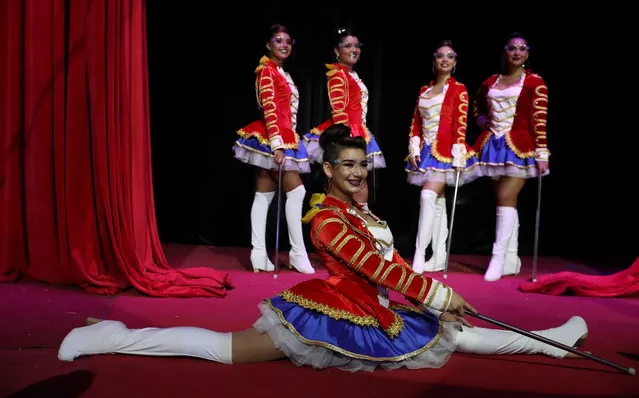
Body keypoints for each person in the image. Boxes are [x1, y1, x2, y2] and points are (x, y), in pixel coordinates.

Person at [58, 124, 588, 371]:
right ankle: (118, 337)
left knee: (459, 337)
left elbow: (394, 263)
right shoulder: (325, 218)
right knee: (228, 351)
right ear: (329, 169)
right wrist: (437, 295)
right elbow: (373, 265)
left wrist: (434, 297)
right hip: (331, 311)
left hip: (376, 309)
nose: (359, 173)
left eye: (363, 165)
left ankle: (551, 341)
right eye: (348, 166)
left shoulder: (361, 210)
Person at [232, 24, 314, 274]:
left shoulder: (280, 72)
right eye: (278, 40)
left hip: (283, 134)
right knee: (297, 192)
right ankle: (298, 253)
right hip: (274, 136)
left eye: (288, 41)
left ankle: (258, 253)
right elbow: (269, 107)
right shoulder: (267, 70)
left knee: (263, 194)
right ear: (269, 45)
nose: (284, 44)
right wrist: (278, 145)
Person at [472, 32, 549, 282]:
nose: (517, 53)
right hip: (493, 146)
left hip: (520, 146)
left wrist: (542, 151)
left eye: (522, 49)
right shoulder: (491, 81)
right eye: (512, 48)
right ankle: (511, 258)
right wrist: (481, 119)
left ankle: (497, 257)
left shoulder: (534, 83)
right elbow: (479, 106)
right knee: (504, 200)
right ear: (505, 51)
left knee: (506, 197)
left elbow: (539, 120)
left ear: (527, 54)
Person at [406, 40, 480, 274]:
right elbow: (416, 122)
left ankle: (419, 253)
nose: (445, 60)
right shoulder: (424, 90)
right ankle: (438, 256)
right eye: (440, 56)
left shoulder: (459, 89)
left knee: (428, 195)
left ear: (455, 62)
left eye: (450, 56)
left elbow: (460, 122)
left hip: (447, 151)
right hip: (427, 151)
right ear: (434, 60)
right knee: (437, 203)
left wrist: (459, 152)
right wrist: (414, 145)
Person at [303, 27, 385, 210]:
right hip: (348, 133)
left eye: (357, 46)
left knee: (360, 188)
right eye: (348, 46)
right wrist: (345, 139)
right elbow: (338, 109)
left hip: (359, 131)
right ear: (336, 51)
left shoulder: (352, 74)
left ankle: (359, 228)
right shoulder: (337, 74)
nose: (354, 49)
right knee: (347, 185)